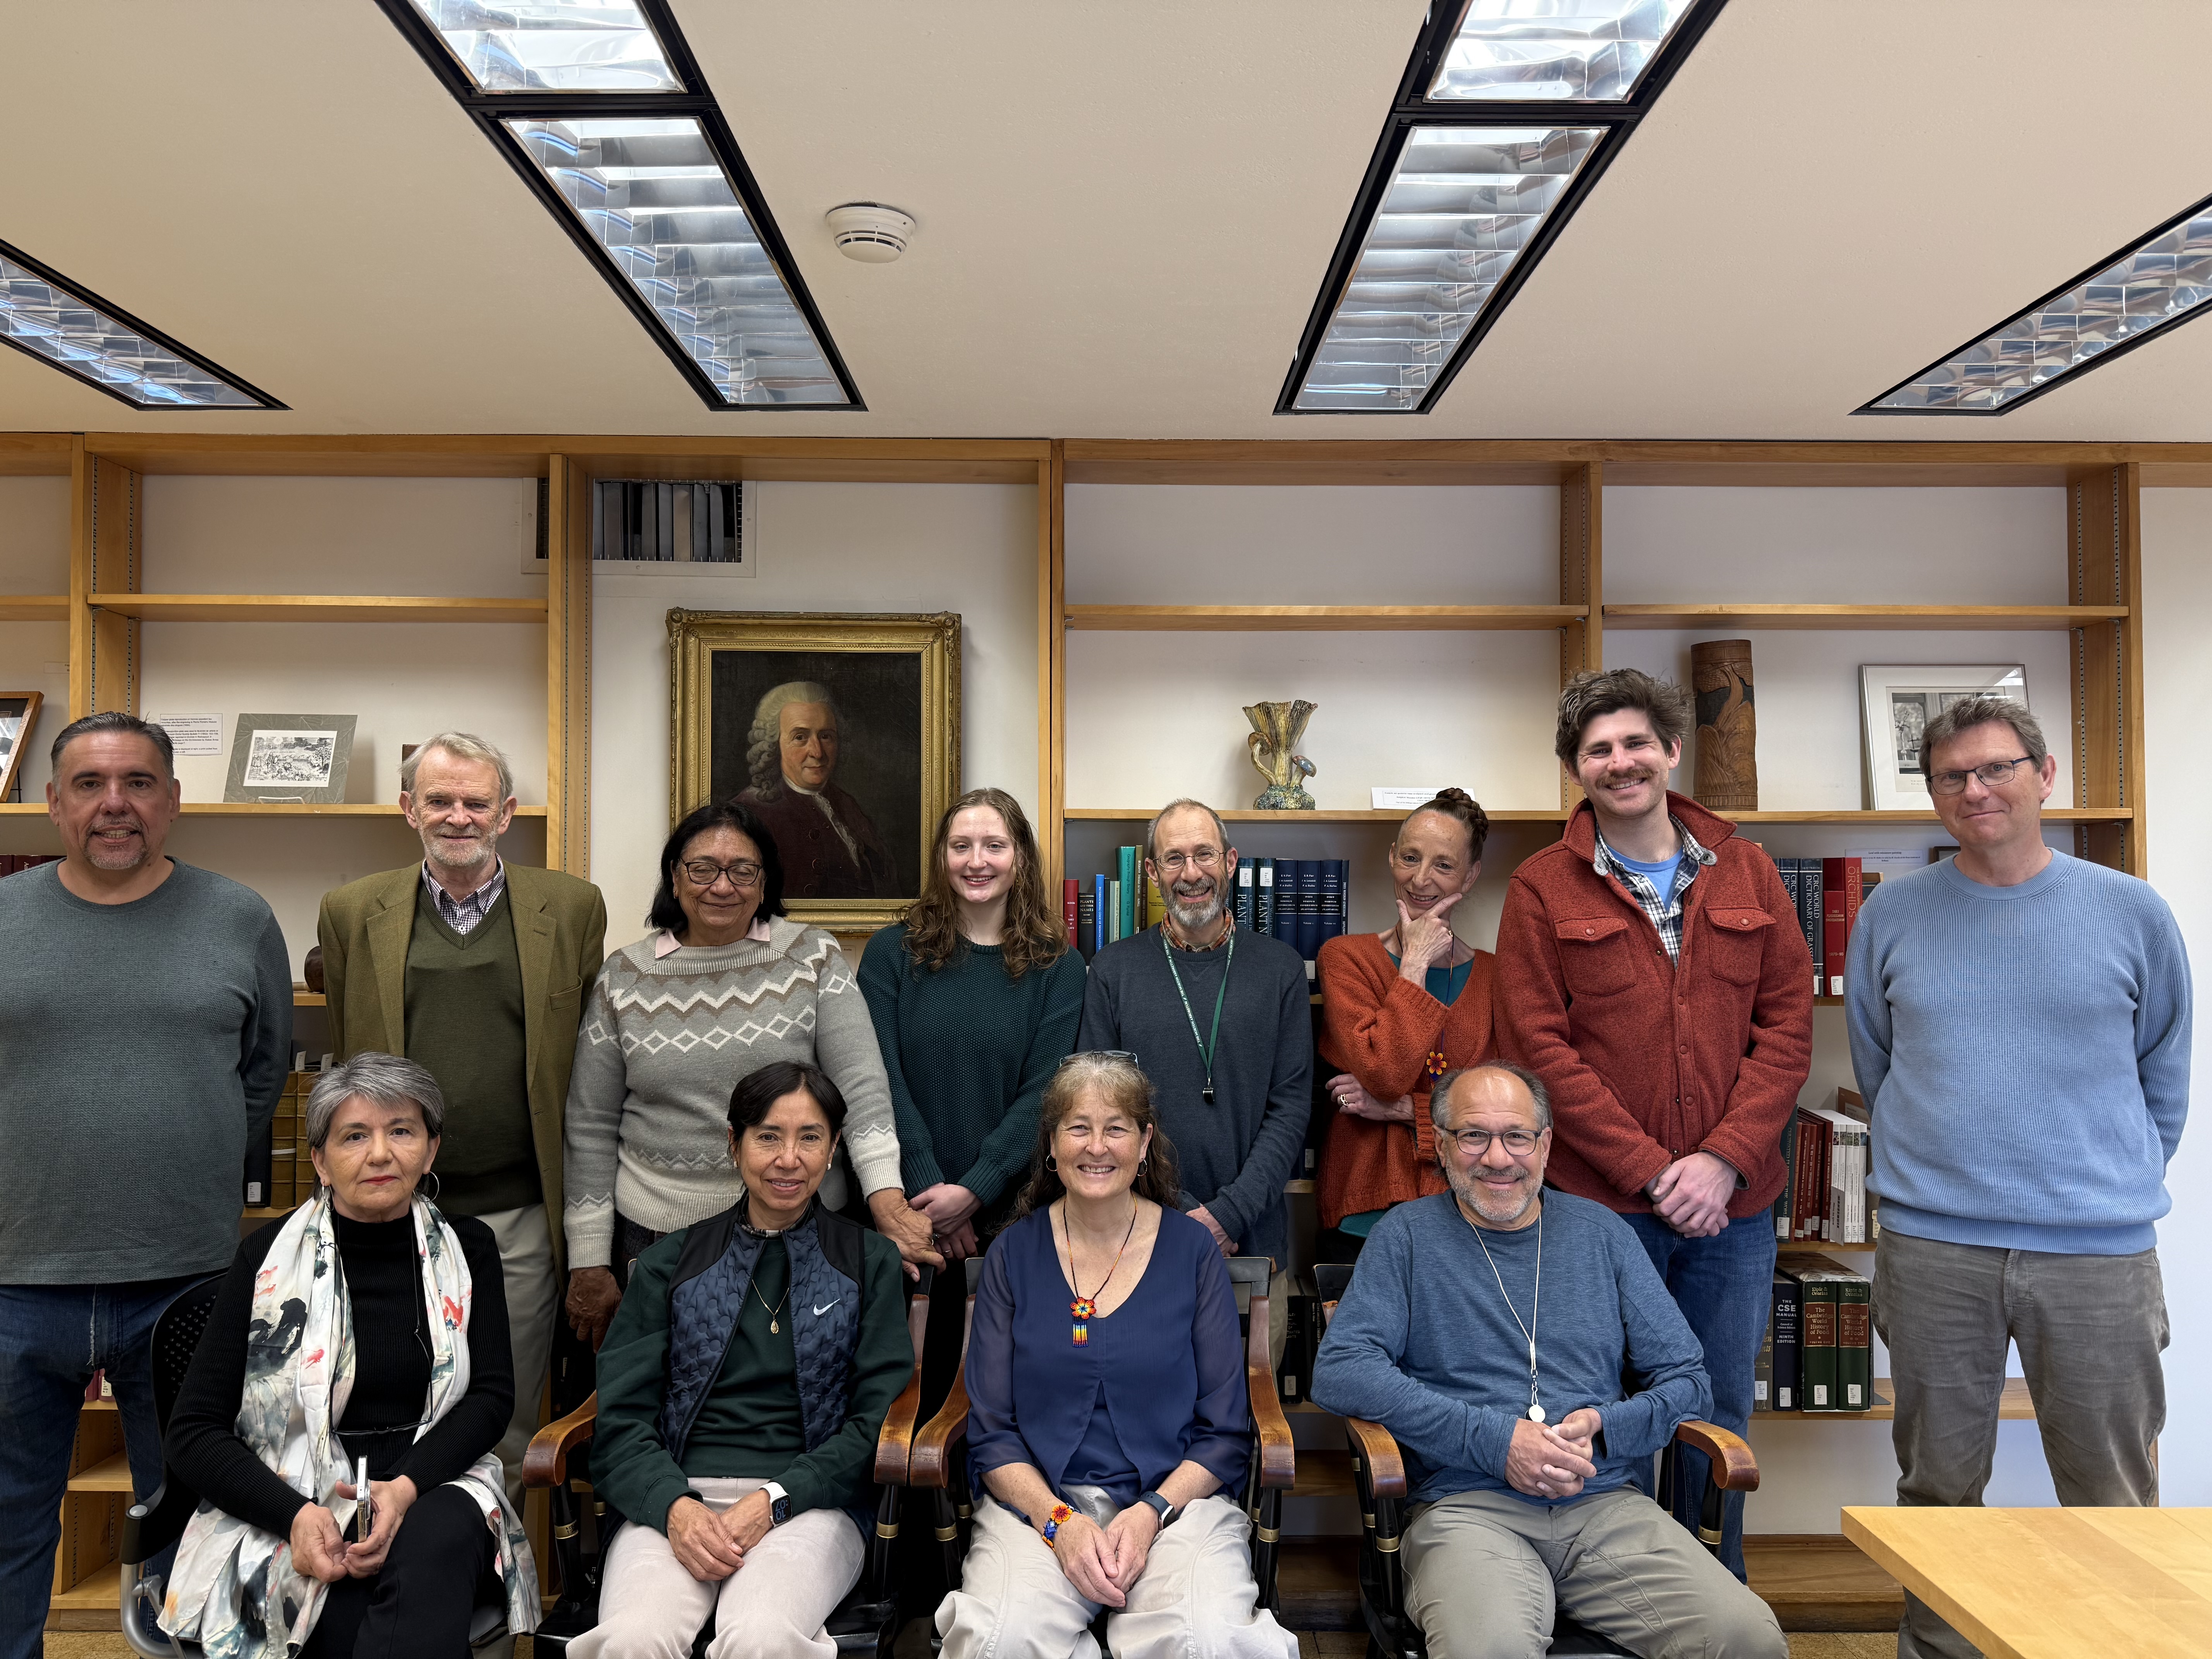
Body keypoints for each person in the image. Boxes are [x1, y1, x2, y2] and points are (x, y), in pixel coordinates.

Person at [1845, 695, 2190, 1659]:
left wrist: (2095, 1184)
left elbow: (2164, 1074)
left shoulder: (2131, 911)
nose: (1975, 790)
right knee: (1939, 1495)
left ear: (2045, 776)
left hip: (2096, 1255)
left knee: (2113, 1496)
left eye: (1996, 768)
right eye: (1952, 776)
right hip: (1934, 1249)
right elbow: (1880, 1066)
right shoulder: (1892, 914)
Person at [1494, 669, 1811, 1577]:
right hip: (1603, 1210)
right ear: (1575, 769)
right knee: (1604, 1412)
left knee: (1716, 1417)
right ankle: (1618, 1603)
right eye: (1598, 750)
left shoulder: (1746, 869)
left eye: (1637, 743)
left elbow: (1788, 1025)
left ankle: (1715, 1600)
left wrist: (1721, 1161)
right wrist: (1651, 1169)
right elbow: (1538, 1048)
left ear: (1672, 751)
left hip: (1734, 1212)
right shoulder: (1542, 887)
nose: (1620, 762)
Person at [1310, 1063, 1786, 1659]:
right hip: (1466, 1509)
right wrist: (1497, 1441)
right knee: (1494, 1649)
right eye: (1473, 1136)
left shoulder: (1602, 1233)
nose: (1498, 1158)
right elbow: (1342, 1370)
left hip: (1606, 1504)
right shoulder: (1405, 1237)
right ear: (1441, 1145)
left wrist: (1607, 1430)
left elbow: (1689, 1380)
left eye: (1517, 1136)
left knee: (1750, 1639)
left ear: (1546, 1144)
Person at [0, 711, 290, 1658]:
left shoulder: (240, 917)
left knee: (196, 1526)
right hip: (13, 1280)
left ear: (173, 800)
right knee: (7, 1529)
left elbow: (264, 1070)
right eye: (88, 784)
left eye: (137, 783)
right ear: (51, 803)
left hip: (189, 1283)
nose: (114, 804)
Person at [317, 730, 607, 1519]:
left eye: (476, 802)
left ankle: (486, 1586)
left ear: (507, 813)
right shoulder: (351, 912)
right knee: (386, 1394)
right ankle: (396, 1575)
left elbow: (584, 1063)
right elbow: (352, 1058)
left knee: (504, 1412)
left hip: (519, 1210)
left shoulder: (572, 907)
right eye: (439, 800)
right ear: (408, 809)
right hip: (396, 1209)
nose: (458, 817)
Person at [161, 1054, 537, 1656]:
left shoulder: (470, 1249)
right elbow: (193, 1432)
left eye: (402, 1131)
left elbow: (492, 1399)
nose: (381, 1154)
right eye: (355, 1136)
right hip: (297, 1495)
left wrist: (405, 1489)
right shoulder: (264, 1256)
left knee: (434, 1550)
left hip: (432, 1482)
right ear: (320, 1159)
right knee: (342, 1615)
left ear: (431, 1150)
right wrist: (295, 1517)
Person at [936, 1053, 1298, 1659]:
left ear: (1145, 1141)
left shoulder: (1192, 1252)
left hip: (1177, 1505)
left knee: (1206, 1641)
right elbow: (993, 1434)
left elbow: (1225, 1431)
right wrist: (1060, 1523)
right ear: (1051, 1144)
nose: (1096, 1146)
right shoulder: (1013, 1255)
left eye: (1117, 1127)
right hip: (1038, 1508)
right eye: (1078, 1127)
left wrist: (1152, 1512)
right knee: (1000, 1641)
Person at [565, 799, 936, 1350]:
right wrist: (590, 1258)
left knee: (793, 1393)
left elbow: (861, 1088)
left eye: (743, 870)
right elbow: (590, 1123)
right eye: (703, 869)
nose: (723, 886)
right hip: (659, 1233)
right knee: (673, 1395)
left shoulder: (813, 958)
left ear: (765, 884)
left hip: (798, 1222)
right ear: (675, 877)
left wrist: (885, 1197)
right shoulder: (624, 976)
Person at [575, 1061, 912, 1659]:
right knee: (632, 1639)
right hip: (677, 1498)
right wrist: (674, 1508)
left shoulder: (868, 1262)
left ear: (834, 1149)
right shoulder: (669, 1265)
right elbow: (620, 1421)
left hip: (812, 1505)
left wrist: (776, 1499)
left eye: (810, 1137)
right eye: (768, 1136)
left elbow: (874, 1423)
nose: (789, 1158)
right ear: (734, 1145)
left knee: (760, 1636)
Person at [858, 787, 1085, 1409]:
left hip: (1010, 1219)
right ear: (942, 857)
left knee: (999, 1405)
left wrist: (976, 1189)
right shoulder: (891, 954)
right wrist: (933, 1193)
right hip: (904, 1217)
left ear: (1020, 858)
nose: (976, 861)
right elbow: (877, 1078)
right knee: (901, 1406)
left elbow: (1047, 1092)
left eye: (994, 845)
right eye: (961, 846)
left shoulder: (1057, 967)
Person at [1075, 799, 1310, 1359]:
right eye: (1174, 859)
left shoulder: (1281, 969)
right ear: (1152, 873)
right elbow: (1099, 1113)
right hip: (1137, 1243)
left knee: (1249, 1427)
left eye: (1204, 854)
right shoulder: (1112, 971)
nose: (1192, 873)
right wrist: (1181, 1218)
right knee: (1141, 1421)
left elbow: (1292, 1109)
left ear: (1230, 862)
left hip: (1252, 1251)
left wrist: (1226, 1216)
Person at [1316, 788, 1495, 1254]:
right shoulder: (1345, 958)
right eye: (1410, 858)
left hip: (1471, 1211)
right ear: (1392, 856)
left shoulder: (1496, 976)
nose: (1421, 879)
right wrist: (1415, 962)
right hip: (1365, 1213)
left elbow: (1499, 1113)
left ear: (1471, 875)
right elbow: (1385, 1073)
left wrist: (1400, 1111)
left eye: (1444, 865)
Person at [735, 682, 898, 900]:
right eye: (800, 737)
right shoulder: (748, 813)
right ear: (774, 745)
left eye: (826, 736)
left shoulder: (846, 804)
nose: (817, 752)